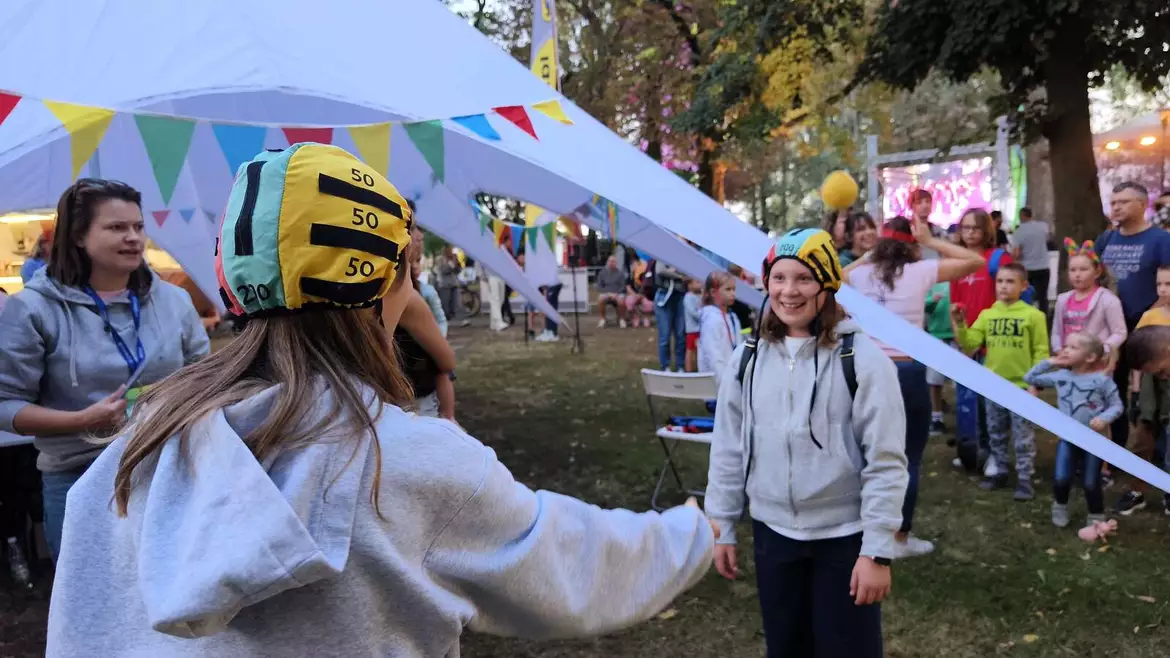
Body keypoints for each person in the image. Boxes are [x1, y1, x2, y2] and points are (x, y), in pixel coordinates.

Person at [46, 144, 717, 657]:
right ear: (385, 281)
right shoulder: (409, 463)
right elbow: (570, 565)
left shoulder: (133, 454)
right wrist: (691, 532)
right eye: (408, 268)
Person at [705, 227, 908, 658]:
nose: (789, 291)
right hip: (773, 533)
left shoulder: (863, 360)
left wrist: (877, 550)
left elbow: (886, 462)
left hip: (844, 538)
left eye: (803, 278)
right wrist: (721, 523)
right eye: (779, 278)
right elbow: (728, 447)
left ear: (827, 283)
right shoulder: (747, 358)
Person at [0, 178, 209, 561]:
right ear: (78, 236)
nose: (133, 237)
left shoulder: (174, 300)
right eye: (116, 227)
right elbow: (5, 405)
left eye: (138, 226)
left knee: (173, 602)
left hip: (168, 469)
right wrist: (82, 419)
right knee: (91, 608)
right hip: (80, 477)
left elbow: (204, 375)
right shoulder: (32, 309)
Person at [845, 215, 984, 558]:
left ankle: (858, 530)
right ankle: (897, 538)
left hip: (864, 371)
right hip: (905, 372)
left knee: (861, 451)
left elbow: (834, 276)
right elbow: (976, 260)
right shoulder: (920, 271)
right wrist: (931, 242)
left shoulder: (859, 274)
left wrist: (868, 255)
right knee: (908, 457)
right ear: (911, 244)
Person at [1095, 181, 1170, 515]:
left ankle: (1154, 462)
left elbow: (1167, 284)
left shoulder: (1160, 240)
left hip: (1148, 334)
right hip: (1111, 332)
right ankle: (1115, 459)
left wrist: (1150, 323)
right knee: (1111, 394)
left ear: (1142, 204)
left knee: (1148, 403)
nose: (1116, 208)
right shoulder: (1105, 239)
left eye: (1124, 202)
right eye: (1113, 202)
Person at [952, 262, 1049, 500]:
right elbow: (971, 344)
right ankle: (1001, 472)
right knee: (996, 432)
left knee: (1023, 436)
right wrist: (960, 323)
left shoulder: (1033, 316)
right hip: (993, 387)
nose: (1004, 287)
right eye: (1000, 282)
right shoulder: (988, 314)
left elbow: (1041, 352)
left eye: (1010, 282)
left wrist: (1035, 384)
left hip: (1021, 387)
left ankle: (1025, 479)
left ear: (1023, 286)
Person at [1023, 333, 1123, 529]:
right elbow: (1029, 377)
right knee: (1061, 477)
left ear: (1090, 357)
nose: (1065, 350)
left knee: (1091, 482)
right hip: (1067, 438)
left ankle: (1096, 515)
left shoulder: (1102, 381)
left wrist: (1104, 419)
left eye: (1073, 347)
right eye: (1066, 346)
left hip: (1094, 441)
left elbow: (1117, 406)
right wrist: (1051, 361)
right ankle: (1060, 506)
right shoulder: (1061, 377)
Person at [951, 208, 1015, 472]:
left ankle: (994, 453)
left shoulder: (997, 258)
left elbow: (1010, 297)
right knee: (968, 399)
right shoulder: (957, 262)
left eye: (975, 228)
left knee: (992, 402)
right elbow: (954, 305)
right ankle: (971, 448)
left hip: (993, 342)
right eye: (965, 228)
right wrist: (961, 339)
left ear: (986, 230)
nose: (970, 233)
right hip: (967, 342)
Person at [399, 224, 457, 419]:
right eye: (412, 228)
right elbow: (447, 360)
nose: (419, 236)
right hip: (410, 404)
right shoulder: (408, 299)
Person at [1050, 240, 1125, 364]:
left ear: (1097, 272)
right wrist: (1059, 350)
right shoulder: (1062, 300)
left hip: (1096, 364)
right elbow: (1057, 331)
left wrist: (1102, 351)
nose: (1077, 274)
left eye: (1083, 269)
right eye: (1073, 270)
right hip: (1069, 362)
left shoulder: (1107, 299)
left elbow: (1119, 332)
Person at [696, 271, 740, 386]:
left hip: (732, 379)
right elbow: (713, 355)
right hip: (717, 385)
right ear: (713, 292)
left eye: (734, 289)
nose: (733, 294)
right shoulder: (711, 319)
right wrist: (725, 384)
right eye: (728, 289)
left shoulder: (732, 317)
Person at [1010, 207, 1052, 317]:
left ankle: (1026, 318)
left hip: (1027, 269)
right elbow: (1047, 239)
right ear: (1031, 215)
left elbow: (1017, 254)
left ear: (1021, 216)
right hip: (1044, 267)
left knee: (1026, 295)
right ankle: (1045, 321)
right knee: (1043, 297)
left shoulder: (1019, 232)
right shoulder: (1043, 227)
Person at [925, 281, 954, 437]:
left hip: (957, 337)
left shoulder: (961, 279)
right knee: (935, 380)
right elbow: (923, 307)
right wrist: (931, 301)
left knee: (963, 382)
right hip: (937, 336)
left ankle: (967, 417)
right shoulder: (933, 281)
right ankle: (936, 419)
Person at [653, 260, 688, 371]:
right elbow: (660, 271)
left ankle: (680, 366)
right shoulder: (663, 253)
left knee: (680, 334)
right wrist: (679, 276)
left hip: (680, 296)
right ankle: (665, 366)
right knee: (665, 335)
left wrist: (674, 272)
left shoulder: (685, 254)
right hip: (663, 296)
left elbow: (689, 274)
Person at [435, 246, 464, 325]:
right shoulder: (440, 259)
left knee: (456, 303)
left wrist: (457, 264)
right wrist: (451, 265)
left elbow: (458, 270)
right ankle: (445, 320)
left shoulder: (454, 258)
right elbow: (443, 270)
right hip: (445, 284)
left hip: (454, 283)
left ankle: (457, 320)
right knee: (445, 303)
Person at [596, 255, 627, 328]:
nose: (611, 263)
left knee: (621, 301)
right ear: (607, 262)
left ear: (616, 263)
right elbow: (599, 286)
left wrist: (616, 294)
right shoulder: (602, 273)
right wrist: (608, 293)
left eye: (613, 262)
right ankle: (602, 319)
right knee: (600, 299)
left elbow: (623, 286)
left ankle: (621, 319)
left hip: (617, 293)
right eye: (610, 261)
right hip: (606, 293)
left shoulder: (620, 273)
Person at [683, 278, 703, 372]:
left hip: (701, 329)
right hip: (692, 329)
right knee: (690, 350)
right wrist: (704, 315)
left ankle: (700, 369)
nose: (700, 284)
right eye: (697, 282)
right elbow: (693, 312)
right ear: (690, 285)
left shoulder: (701, 296)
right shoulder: (688, 297)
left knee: (700, 351)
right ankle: (689, 371)